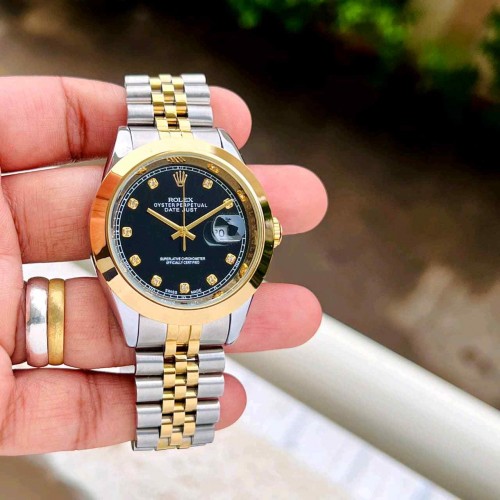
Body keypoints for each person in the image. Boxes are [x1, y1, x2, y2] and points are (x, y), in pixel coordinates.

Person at [0, 76, 328, 454]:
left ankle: (176, 425)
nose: (183, 233)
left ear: (268, 233)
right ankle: (174, 425)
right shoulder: (166, 150)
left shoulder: (212, 152)